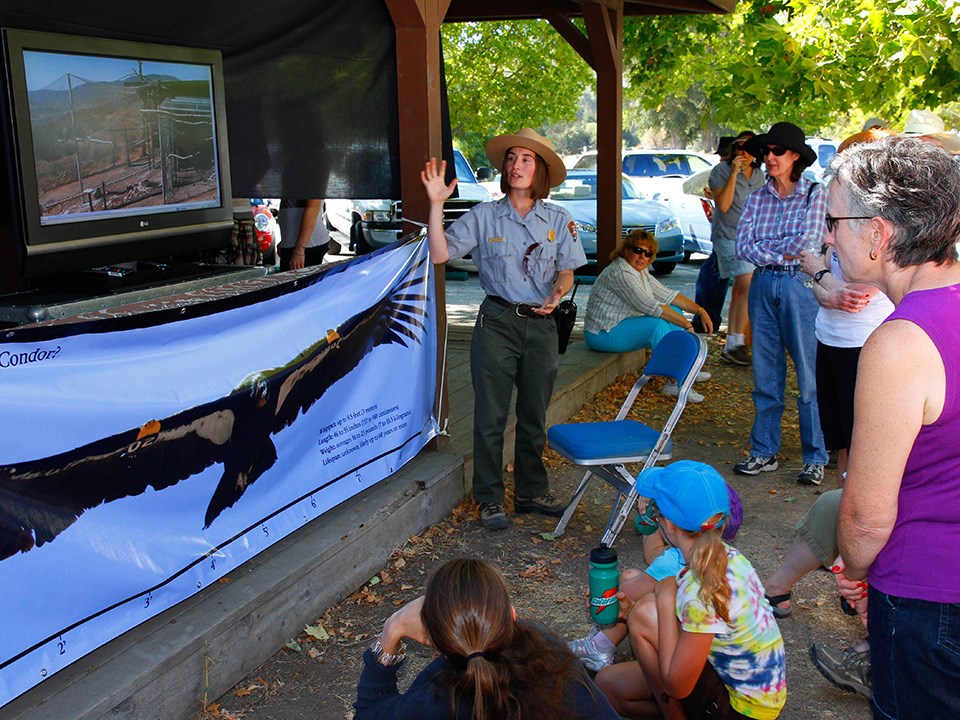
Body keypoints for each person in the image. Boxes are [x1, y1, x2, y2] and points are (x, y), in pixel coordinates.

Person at [832, 135, 960, 718]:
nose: (829, 236)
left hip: (928, 597)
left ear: (879, 234)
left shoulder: (900, 342)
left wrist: (854, 573)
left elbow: (865, 517)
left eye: (834, 220)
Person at [421, 129, 586, 530]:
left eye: (526, 159)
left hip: (543, 325)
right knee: (491, 415)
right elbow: (439, 253)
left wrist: (557, 293)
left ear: (540, 170)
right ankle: (490, 498)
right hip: (497, 322)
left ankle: (531, 492)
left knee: (534, 414)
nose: (516, 165)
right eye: (511, 158)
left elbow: (566, 271)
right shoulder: (484, 216)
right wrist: (436, 205)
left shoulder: (559, 219)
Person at [594, 461, 786, 720]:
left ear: (668, 525)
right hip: (726, 680)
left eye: (657, 512)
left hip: (742, 711)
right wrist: (628, 611)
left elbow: (677, 687)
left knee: (646, 613)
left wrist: (660, 600)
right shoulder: (727, 557)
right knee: (608, 686)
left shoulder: (703, 586)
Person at [353, 557, 620, 720]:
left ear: (435, 641)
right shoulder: (547, 647)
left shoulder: (442, 698)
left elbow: (368, 714)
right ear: (512, 615)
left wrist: (393, 627)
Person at [796, 129, 895, 484]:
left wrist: (818, 271)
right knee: (840, 443)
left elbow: (856, 294)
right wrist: (824, 285)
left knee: (862, 443)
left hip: (864, 344)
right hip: (830, 339)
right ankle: (841, 507)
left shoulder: (877, 222)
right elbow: (823, 295)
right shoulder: (841, 215)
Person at [734, 122, 829, 485]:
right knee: (766, 372)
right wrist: (781, 248)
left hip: (799, 285)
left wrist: (773, 249)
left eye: (777, 151)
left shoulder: (813, 193)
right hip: (764, 282)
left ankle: (815, 456)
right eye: (766, 151)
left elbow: (808, 243)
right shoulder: (757, 196)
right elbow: (743, 244)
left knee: (809, 374)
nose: (769, 157)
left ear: (795, 157)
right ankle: (763, 451)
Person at [569, 483, 743, 673]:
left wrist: (607, 599)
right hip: (705, 637)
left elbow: (623, 593)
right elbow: (654, 555)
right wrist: (652, 521)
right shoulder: (714, 555)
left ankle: (600, 646)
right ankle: (605, 641)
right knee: (632, 577)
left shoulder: (676, 562)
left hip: (688, 652)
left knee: (632, 590)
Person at [583, 229, 713, 403]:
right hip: (602, 333)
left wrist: (700, 311)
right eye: (638, 250)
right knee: (657, 325)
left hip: (619, 326)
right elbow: (650, 306)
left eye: (648, 253)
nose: (643, 256)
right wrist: (688, 325)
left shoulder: (639, 271)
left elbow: (668, 295)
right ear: (626, 250)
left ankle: (686, 367)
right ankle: (674, 384)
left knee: (675, 311)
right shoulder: (621, 272)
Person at [710, 130, 765, 367]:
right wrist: (734, 172)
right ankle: (738, 342)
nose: (744, 152)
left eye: (749, 148)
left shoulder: (760, 175)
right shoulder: (720, 171)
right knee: (746, 283)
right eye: (740, 146)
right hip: (728, 237)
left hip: (751, 240)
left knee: (741, 292)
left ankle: (733, 344)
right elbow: (722, 205)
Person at [278, 198, 329, 270]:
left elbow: (313, 209)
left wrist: (299, 250)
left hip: (307, 246)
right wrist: (285, 240)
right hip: (298, 244)